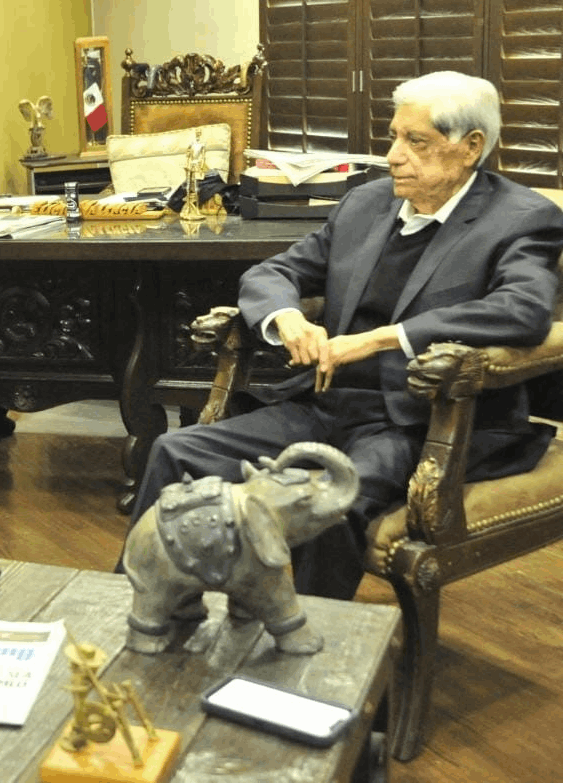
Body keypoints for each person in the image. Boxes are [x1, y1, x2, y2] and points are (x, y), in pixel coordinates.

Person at [125, 71, 563, 600]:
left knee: (332, 499)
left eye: (416, 141)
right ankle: (136, 607)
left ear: (471, 147)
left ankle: (309, 643)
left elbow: (523, 310)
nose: (394, 156)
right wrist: (285, 317)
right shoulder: (366, 204)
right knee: (177, 451)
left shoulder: (522, 218)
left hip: (424, 421)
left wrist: (383, 338)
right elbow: (274, 272)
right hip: (325, 402)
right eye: (395, 137)